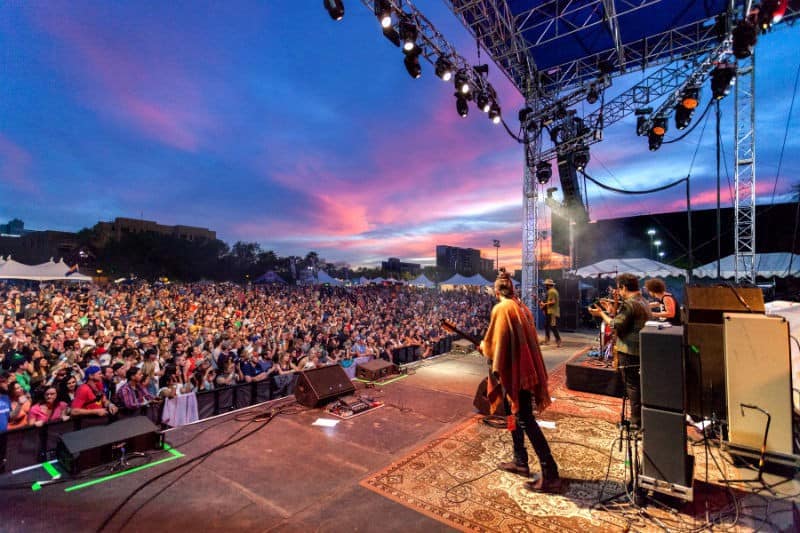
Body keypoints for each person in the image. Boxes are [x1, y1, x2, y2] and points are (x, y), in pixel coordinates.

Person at [480, 268, 561, 493]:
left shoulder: (502, 308)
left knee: (524, 418)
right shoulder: (521, 306)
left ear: (497, 292)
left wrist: (484, 347)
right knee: (510, 414)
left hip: (516, 371)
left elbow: (495, 343)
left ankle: (550, 471)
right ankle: (520, 460)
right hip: (523, 367)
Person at [588, 273, 651, 429]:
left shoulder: (630, 304)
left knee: (632, 386)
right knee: (637, 385)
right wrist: (611, 310)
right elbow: (625, 320)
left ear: (623, 287)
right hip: (641, 348)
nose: (619, 292)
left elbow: (615, 325)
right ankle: (640, 418)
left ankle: (636, 422)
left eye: (619, 288)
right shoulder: (643, 301)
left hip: (630, 350)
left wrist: (601, 313)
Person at [540, 279, 562, 347]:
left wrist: (544, 304)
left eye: (546, 285)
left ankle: (558, 341)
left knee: (553, 326)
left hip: (552, 312)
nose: (545, 286)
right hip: (550, 311)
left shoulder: (551, 292)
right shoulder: (552, 291)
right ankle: (547, 340)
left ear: (548, 285)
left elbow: (553, 302)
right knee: (547, 326)